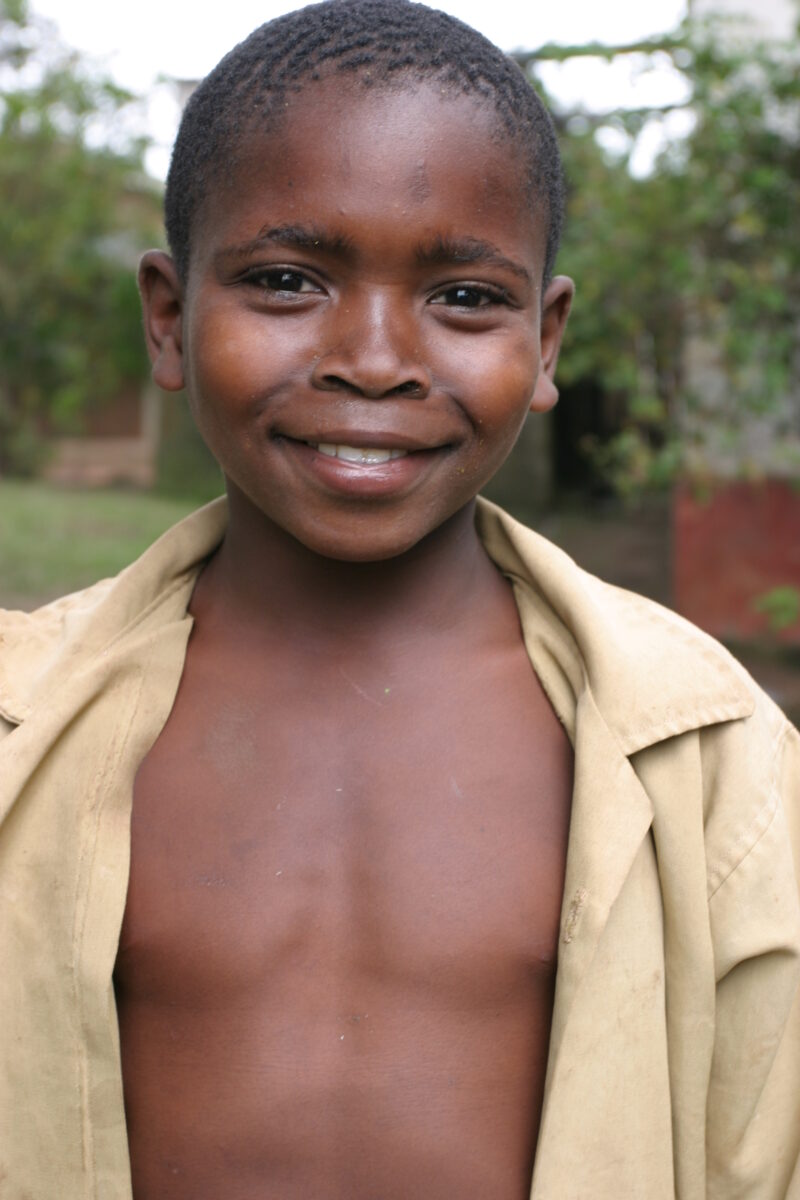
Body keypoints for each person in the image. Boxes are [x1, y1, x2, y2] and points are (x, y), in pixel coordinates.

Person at [1, 1, 798, 1196]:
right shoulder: (20, 731)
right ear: (168, 318)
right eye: (285, 281)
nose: (373, 359)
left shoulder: (715, 762)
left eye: (466, 299)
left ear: (544, 338)